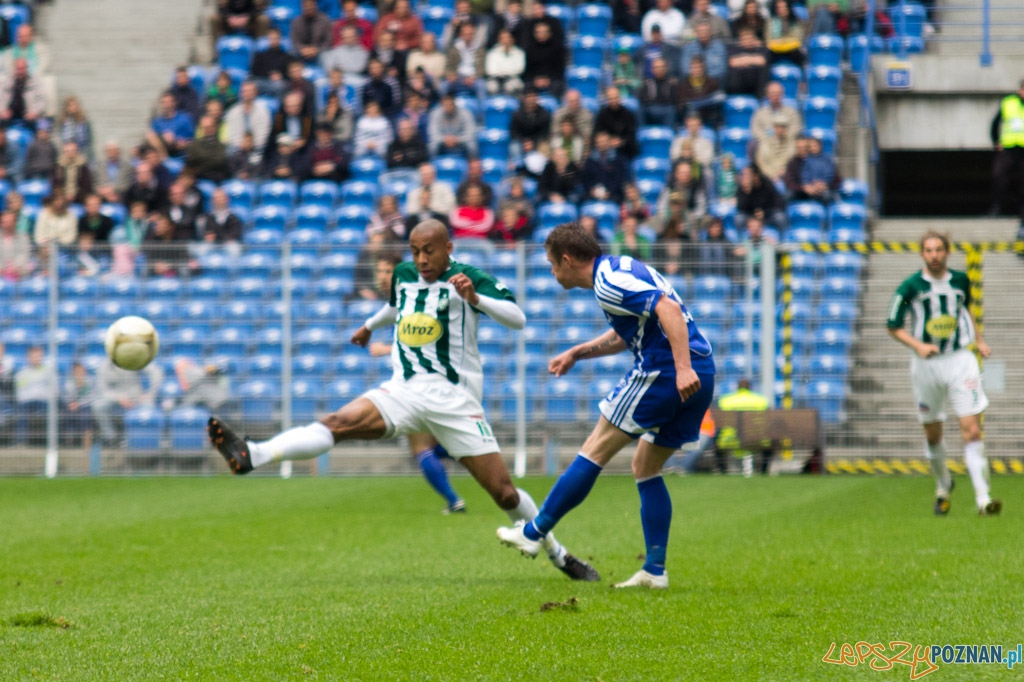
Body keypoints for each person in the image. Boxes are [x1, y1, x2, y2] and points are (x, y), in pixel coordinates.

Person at [208, 220, 601, 582]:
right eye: (415, 251)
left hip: (454, 400)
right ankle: (253, 454)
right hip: (405, 389)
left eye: (429, 250)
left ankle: (559, 555)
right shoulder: (404, 275)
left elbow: (518, 318)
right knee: (337, 423)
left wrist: (474, 298)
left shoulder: (470, 277)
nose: (421, 259)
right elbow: (396, 307)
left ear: (448, 248)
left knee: (505, 494)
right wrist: (368, 326)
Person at [497, 222, 716, 589]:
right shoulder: (617, 270)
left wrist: (681, 369)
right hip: (702, 371)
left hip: (665, 372)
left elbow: (669, 310)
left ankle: (534, 532)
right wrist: (578, 352)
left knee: (595, 447)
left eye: (552, 264)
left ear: (567, 260)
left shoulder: (608, 283)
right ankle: (654, 571)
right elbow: (631, 330)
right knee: (645, 466)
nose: (552, 273)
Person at [886, 231, 1001, 517]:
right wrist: (918, 345)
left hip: (960, 359)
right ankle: (943, 484)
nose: (934, 255)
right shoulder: (910, 286)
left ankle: (983, 498)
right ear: (922, 254)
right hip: (927, 365)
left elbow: (966, 310)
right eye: (928, 250)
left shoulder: (961, 281)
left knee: (972, 429)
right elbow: (892, 325)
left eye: (938, 249)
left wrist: (979, 341)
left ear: (947, 252)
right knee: (933, 434)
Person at [362, 251, 467, 513]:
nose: (383, 277)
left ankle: (455, 500)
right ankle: (467, 455)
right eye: (380, 271)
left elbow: (425, 341)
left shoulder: (414, 300)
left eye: (388, 272)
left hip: (424, 382)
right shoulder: (400, 301)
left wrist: (386, 350)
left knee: (420, 447)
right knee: (433, 445)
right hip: (425, 381)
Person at [93, 356, 164, 448]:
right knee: (98, 406)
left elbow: (156, 372)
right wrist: (119, 398)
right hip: (114, 401)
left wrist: (151, 394)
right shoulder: (103, 367)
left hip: (136, 399)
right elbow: (103, 391)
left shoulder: (133, 359)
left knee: (148, 408)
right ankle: (111, 438)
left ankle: (148, 443)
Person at [714, 379, 773, 476]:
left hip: (729, 441)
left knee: (716, 441)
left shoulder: (725, 401)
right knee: (770, 442)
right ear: (751, 388)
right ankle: (763, 471)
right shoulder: (761, 401)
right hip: (757, 440)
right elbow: (768, 421)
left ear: (737, 388)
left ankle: (723, 472)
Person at [989, 78, 1024, 225]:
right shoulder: (1008, 102)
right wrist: (996, 141)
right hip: (1008, 147)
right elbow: (995, 123)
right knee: (999, 177)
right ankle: (996, 208)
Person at [14, 346, 56, 446]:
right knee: (21, 412)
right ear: (28, 357)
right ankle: (21, 442)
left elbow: (54, 389)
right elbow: (19, 392)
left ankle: (51, 443)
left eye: (38, 356)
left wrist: (46, 396)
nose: (36, 358)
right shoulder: (22, 373)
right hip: (27, 402)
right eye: (33, 356)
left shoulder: (48, 371)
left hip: (44, 401)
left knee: (52, 410)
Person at [225, 80, 272, 160]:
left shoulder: (263, 111)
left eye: (250, 91)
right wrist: (241, 145)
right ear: (241, 93)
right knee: (229, 151)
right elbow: (231, 135)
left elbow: (264, 134)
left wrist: (251, 145)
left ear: (255, 93)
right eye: (245, 91)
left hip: (257, 147)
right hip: (238, 148)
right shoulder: (233, 112)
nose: (247, 93)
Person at [593, 86, 638, 159]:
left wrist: (621, 141)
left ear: (620, 98)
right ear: (607, 99)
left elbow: (631, 134)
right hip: (606, 148)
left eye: (615, 98)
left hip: (625, 149)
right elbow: (598, 132)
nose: (613, 101)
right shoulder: (602, 115)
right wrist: (609, 141)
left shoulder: (628, 114)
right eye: (611, 98)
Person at [0, 57, 46, 128]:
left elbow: (42, 100)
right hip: (9, 115)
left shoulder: (35, 82)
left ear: (27, 68)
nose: (21, 72)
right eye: (18, 69)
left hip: (28, 115)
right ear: (14, 69)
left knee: (42, 125)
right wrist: (2, 110)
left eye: (23, 68)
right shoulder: (6, 82)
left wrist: (34, 112)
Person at [427, 93, 477, 157]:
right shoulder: (435, 114)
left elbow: (470, 133)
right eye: (445, 105)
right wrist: (444, 139)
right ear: (441, 105)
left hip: (460, 141)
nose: (448, 107)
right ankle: (432, 162)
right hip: (443, 141)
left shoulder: (465, 113)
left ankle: (473, 161)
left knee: (471, 143)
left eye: (450, 104)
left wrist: (457, 139)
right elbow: (433, 133)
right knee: (432, 144)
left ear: (454, 104)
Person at [726, 27, 770, 97]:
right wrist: (752, 60)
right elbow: (733, 63)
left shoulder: (761, 49)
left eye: (750, 38)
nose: (748, 41)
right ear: (740, 40)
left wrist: (743, 59)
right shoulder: (734, 50)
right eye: (745, 39)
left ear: (754, 39)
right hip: (740, 83)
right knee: (733, 72)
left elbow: (762, 61)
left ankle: (761, 98)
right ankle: (737, 97)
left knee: (763, 70)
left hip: (755, 82)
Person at [61, 361, 96, 449]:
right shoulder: (69, 382)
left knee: (86, 416)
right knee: (67, 414)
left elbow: (92, 396)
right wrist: (77, 387)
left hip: (86, 405)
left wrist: (79, 404)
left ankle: (87, 444)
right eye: (76, 371)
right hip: (72, 405)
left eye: (81, 371)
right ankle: (69, 441)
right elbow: (67, 396)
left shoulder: (89, 381)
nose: (79, 373)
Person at [639, 57, 679, 128]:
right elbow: (642, 99)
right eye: (656, 67)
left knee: (671, 109)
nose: (659, 69)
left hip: (666, 109)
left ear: (666, 68)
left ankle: (668, 132)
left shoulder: (671, 84)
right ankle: (642, 132)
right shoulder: (647, 84)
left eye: (661, 67)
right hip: (651, 109)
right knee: (640, 109)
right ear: (652, 69)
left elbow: (674, 100)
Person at [252, 28, 292, 98]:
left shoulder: (286, 57)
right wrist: (269, 74)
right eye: (271, 38)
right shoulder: (261, 55)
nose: (274, 41)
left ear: (280, 39)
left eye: (276, 38)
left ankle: (280, 104)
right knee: (252, 85)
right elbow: (255, 70)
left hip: (279, 82)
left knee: (280, 85)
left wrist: (281, 75)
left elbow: (289, 73)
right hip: (263, 80)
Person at [485, 29, 526, 96]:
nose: (506, 40)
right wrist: (505, 72)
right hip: (495, 79)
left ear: (512, 39)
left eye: (508, 37)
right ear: (499, 40)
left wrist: (504, 72)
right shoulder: (492, 53)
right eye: (503, 38)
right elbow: (490, 70)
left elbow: (520, 69)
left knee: (510, 86)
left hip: (513, 79)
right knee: (491, 87)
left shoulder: (519, 52)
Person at [57, 95, 94, 161]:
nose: (72, 107)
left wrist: (88, 153)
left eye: (74, 105)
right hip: (68, 153)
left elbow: (89, 139)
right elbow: (61, 138)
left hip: (81, 151)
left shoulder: (83, 121)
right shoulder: (63, 121)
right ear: (66, 107)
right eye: (70, 105)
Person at [0, 209, 33, 280]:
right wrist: (2, 268)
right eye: (4, 222)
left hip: (19, 272)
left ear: (15, 223)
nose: (7, 225)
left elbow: (24, 254)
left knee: (29, 266)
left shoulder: (24, 237)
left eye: (10, 222)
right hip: (1, 272)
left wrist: (15, 266)